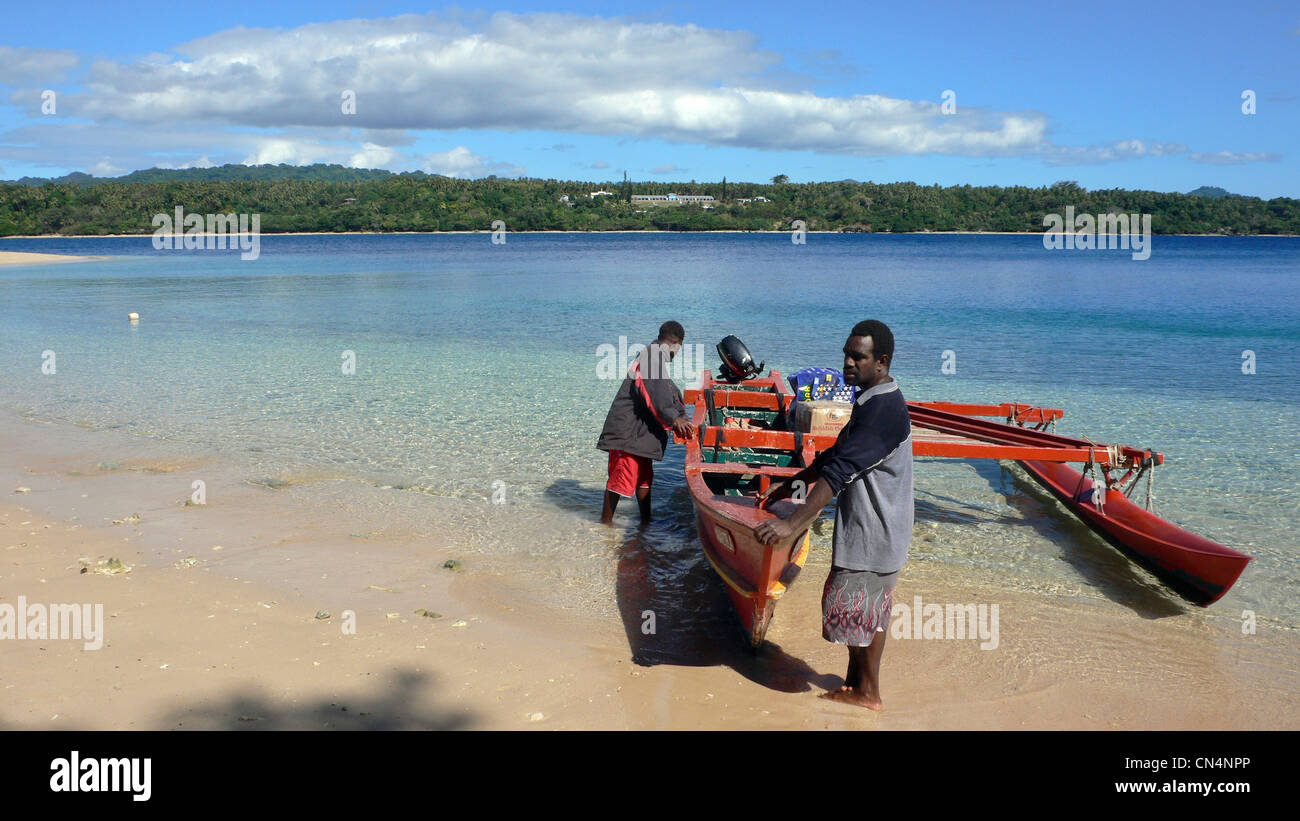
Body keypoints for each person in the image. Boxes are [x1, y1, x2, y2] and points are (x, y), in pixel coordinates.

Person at [755, 319, 913, 711]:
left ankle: (869, 692)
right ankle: (855, 683)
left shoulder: (882, 410)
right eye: (846, 353)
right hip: (870, 529)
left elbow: (839, 473)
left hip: (877, 530)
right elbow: (835, 455)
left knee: (863, 609)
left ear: (882, 361)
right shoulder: (871, 399)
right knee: (857, 607)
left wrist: (792, 522)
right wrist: (793, 484)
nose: (847, 363)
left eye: (857, 356)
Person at [597, 321, 695, 524]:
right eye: (679, 349)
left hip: (640, 434)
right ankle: (605, 527)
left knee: (644, 478)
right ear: (676, 343)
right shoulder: (651, 358)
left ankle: (646, 524)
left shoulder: (653, 356)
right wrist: (674, 419)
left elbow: (669, 390)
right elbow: (655, 397)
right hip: (628, 433)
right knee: (619, 480)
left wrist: (681, 412)